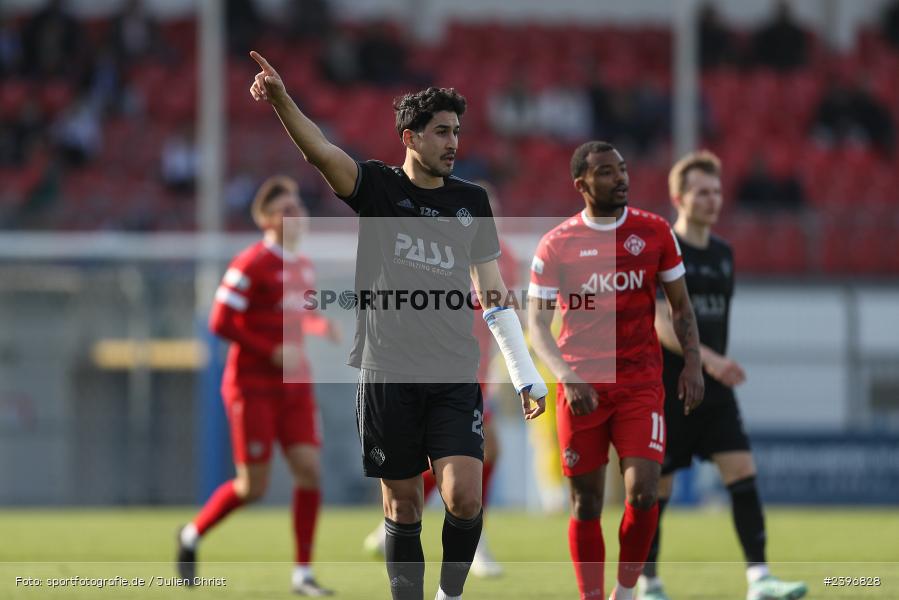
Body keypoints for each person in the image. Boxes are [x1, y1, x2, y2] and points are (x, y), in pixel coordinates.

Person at [248, 51, 547, 600]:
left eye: (456, 132)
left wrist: (524, 372)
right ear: (410, 137)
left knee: (465, 498)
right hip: (387, 374)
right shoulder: (379, 189)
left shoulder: (472, 202)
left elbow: (493, 295)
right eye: (441, 132)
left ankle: (449, 595)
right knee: (403, 505)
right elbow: (320, 151)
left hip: (453, 374)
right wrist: (283, 100)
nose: (453, 143)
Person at [528, 141, 704, 600]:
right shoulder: (557, 244)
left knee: (644, 492)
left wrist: (693, 364)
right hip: (581, 387)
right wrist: (567, 377)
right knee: (585, 502)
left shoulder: (654, 232)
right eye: (606, 172)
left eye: (622, 169)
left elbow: (681, 307)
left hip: (640, 384)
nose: (621, 178)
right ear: (581, 184)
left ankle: (625, 592)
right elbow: (537, 324)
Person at [637, 151, 808, 600]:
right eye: (701, 192)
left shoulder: (723, 254)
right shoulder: (662, 249)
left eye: (716, 191)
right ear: (679, 198)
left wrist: (712, 366)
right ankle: (649, 583)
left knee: (742, 470)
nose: (712, 200)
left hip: (713, 391)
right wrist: (709, 359)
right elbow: (660, 321)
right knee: (657, 487)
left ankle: (760, 579)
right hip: (669, 389)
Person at [175, 176, 341, 596]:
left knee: (310, 470)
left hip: (295, 387)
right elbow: (220, 321)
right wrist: (270, 350)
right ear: (266, 220)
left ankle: (303, 574)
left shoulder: (303, 266)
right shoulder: (249, 263)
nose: (297, 214)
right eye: (287, 209)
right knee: (253, 487)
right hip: (252, 387)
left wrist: (321, 326)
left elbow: (300, 316)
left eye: (299, 206)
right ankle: (192, 534)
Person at [360, 183, 518, 579]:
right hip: (436, 370)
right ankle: (470, 538)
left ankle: (402, 527)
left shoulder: (507, 258)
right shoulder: (436, 250)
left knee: (477, 455)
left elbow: (503, 311)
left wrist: (510, 367)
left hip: (476, 371)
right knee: (475, 454)